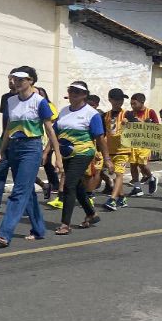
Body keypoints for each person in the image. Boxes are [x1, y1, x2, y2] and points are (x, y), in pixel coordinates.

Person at [0, 67, 60, 247]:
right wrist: (1, 151)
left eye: (21, 79)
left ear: (31, 81)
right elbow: (8, 128)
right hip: (14, 147)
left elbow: (49, 130)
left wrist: (57, 156)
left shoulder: (40, 102)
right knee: (27, 191)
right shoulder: (11, 101)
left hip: (31, 147)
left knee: (19, 191)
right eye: (15, 79)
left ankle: (5, 233)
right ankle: (38, 229)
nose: (16, 82)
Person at [51, 82, 109, 234]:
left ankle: (65, 224)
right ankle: (91, 213)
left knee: (69, 185)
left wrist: (107, 159)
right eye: (71, 91)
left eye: (77, 92)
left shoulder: (91, 114)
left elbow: (100, 138)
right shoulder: (64, 111)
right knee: (76, 186)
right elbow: (54, 133)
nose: (73, 94)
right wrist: (46, 152)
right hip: (66, 153)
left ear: (84, 95)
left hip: (83, 153)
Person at [125, 93, 159, 196]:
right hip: (133, 142)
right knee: (133, 164)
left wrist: (144, 123)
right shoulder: (130, 113)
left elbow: (157, 127)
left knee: (142, 164)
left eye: (134, 103)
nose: (132, 106)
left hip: (145, 142)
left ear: (142, 102)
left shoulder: (150, 112)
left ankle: (151, 177)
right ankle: (137, 187)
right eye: (131, 104)